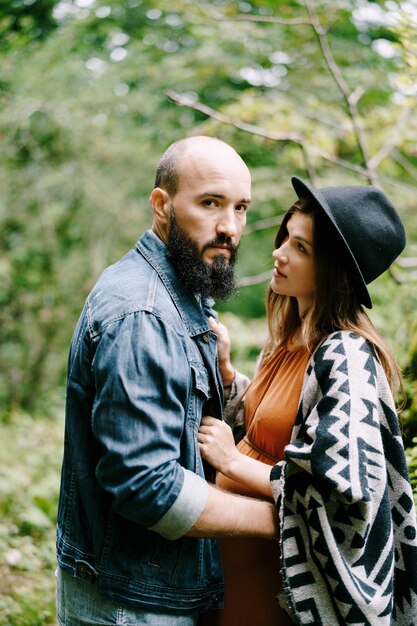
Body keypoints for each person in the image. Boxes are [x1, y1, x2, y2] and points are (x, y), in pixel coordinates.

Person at [55, 135, 279, 626]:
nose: (230, 227)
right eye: (210, 203)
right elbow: (146, 483)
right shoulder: (144, 313)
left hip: (148, 591)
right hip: (132, 604)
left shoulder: (182, 284)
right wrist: (285, 520)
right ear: (162, 205)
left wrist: (222, 378)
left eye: (241, 208)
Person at [198, 177, 417, 625]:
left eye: (300, 248)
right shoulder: (288, 338)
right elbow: (270, 428)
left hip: (278, 577)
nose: (278, 253)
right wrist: (227, 375)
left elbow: (342, 482)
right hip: (233, 564)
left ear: (332, 271)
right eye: (285, 238)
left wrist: (231, 463)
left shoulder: (347, 355)